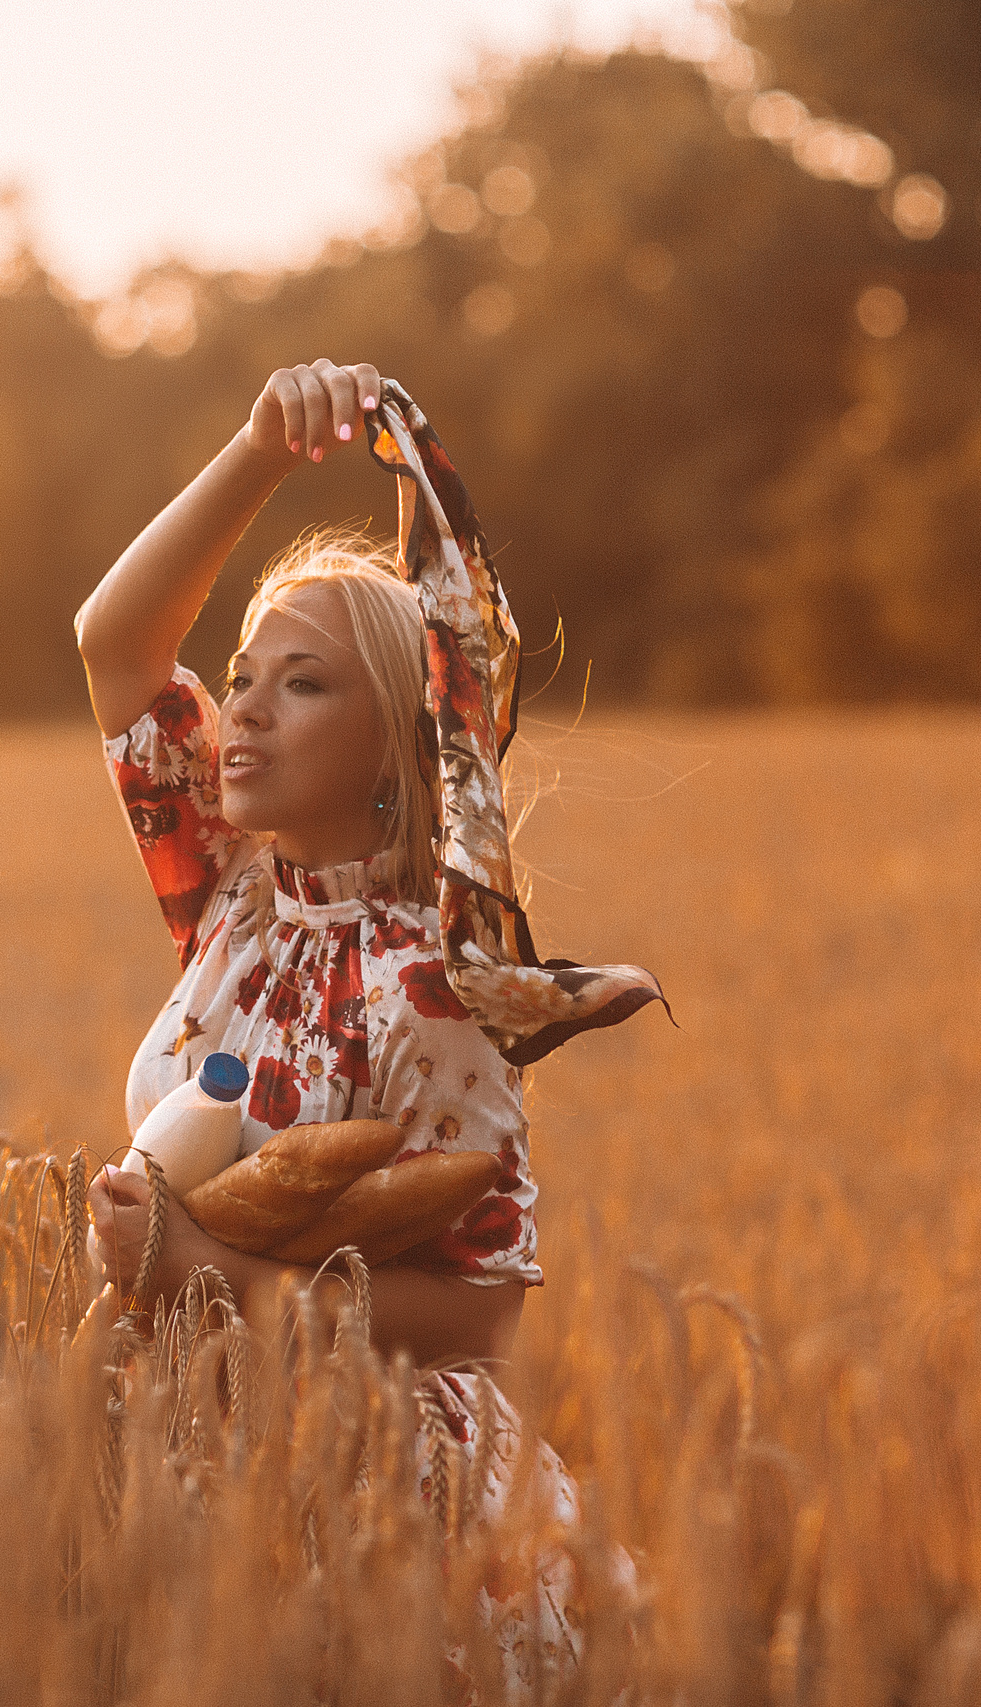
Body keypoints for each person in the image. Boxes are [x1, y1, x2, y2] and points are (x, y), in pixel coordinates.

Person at [76, 358, 666, 1696]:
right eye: (243, 676)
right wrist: (260, 450)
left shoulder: (435, 990)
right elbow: (117, 646)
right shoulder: (231, 902)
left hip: (391, 1507)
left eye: (304, 685)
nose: (244, 711)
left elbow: (477, 1322)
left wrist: (197, 1271)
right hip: (199, 1462)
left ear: (399, 748)